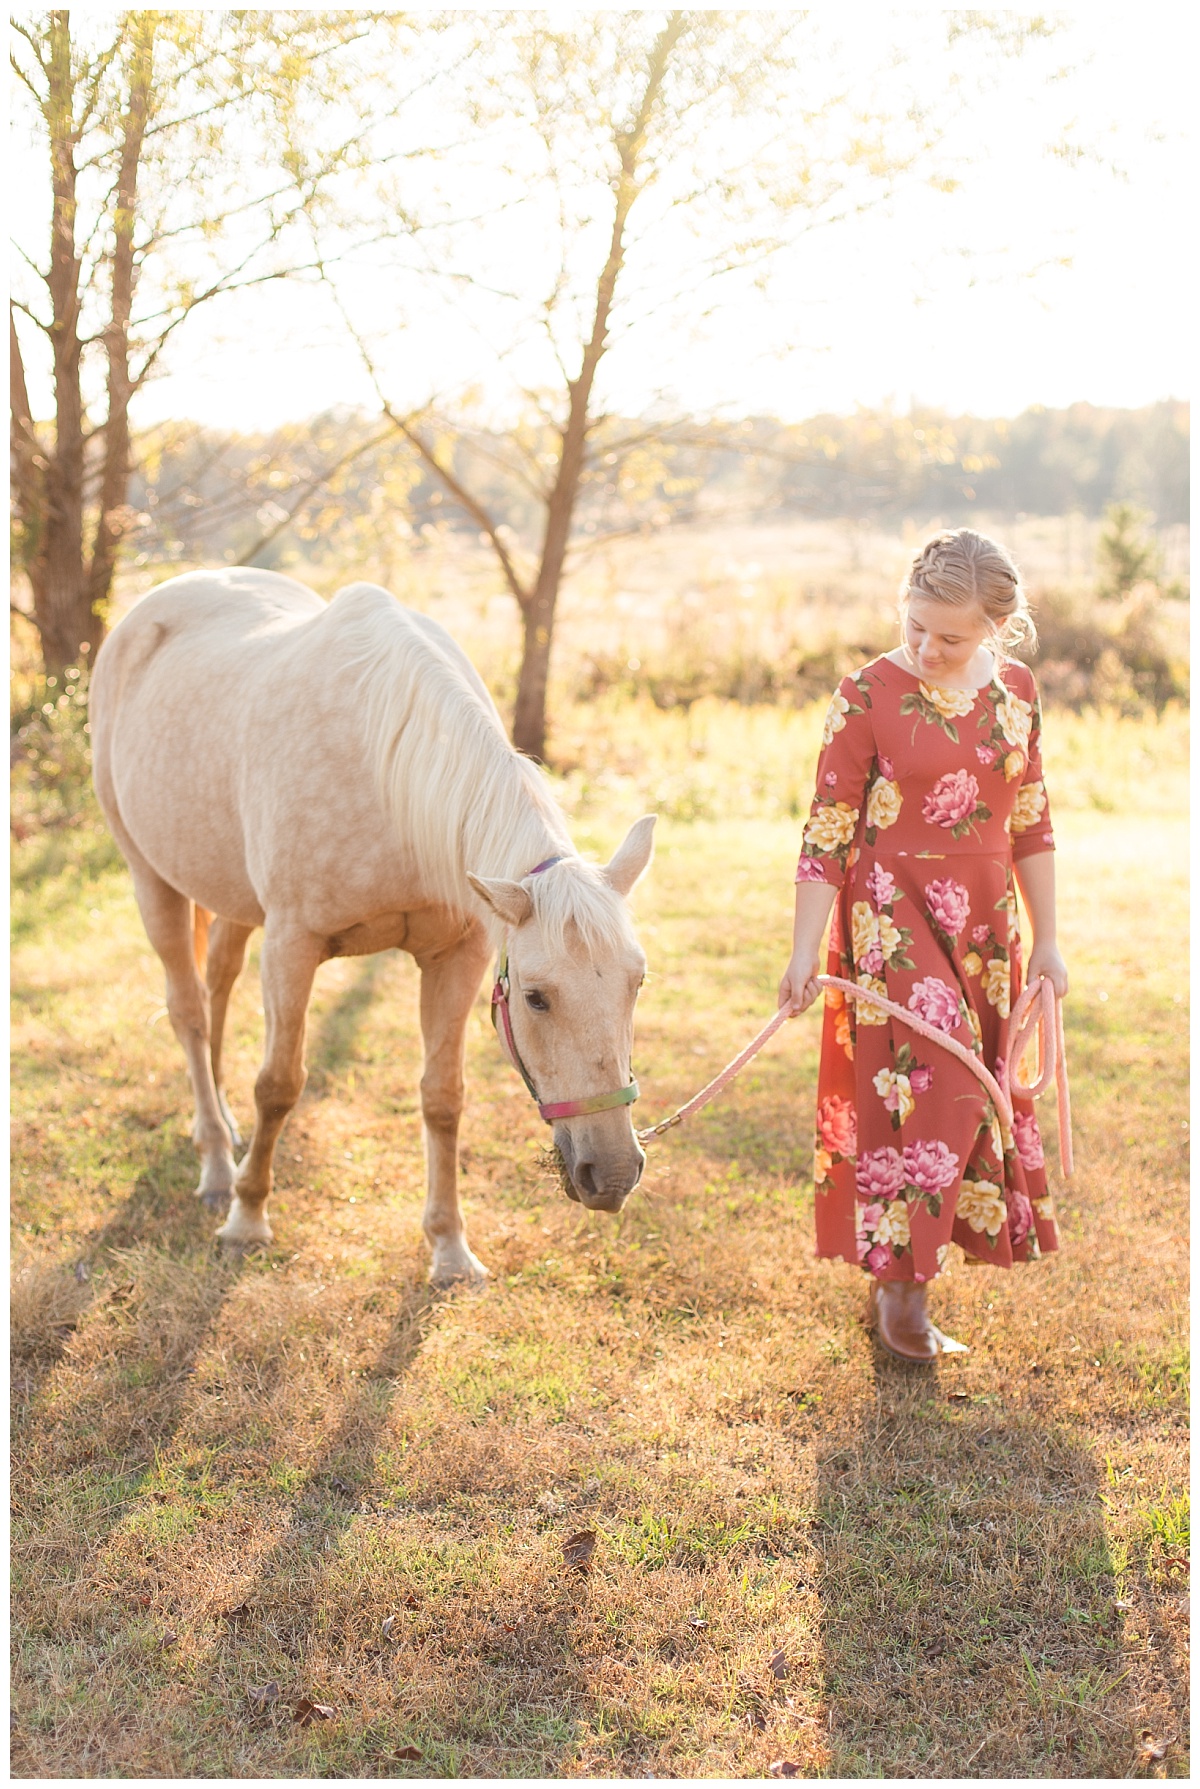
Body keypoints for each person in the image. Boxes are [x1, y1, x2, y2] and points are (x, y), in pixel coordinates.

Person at [778, 529, 1068, 1362]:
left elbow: (1030, 821)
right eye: (915, 626)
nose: (927, 649)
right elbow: (828, 829)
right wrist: (804, 951)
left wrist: (1049, 940)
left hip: (986, 930)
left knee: (965, 1096)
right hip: (888, 920)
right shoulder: (865, 694)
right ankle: (902, 1290)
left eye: (951, 637)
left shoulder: (1017, 692)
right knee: (941, 1089)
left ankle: (903, 1274)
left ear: (995, 629)